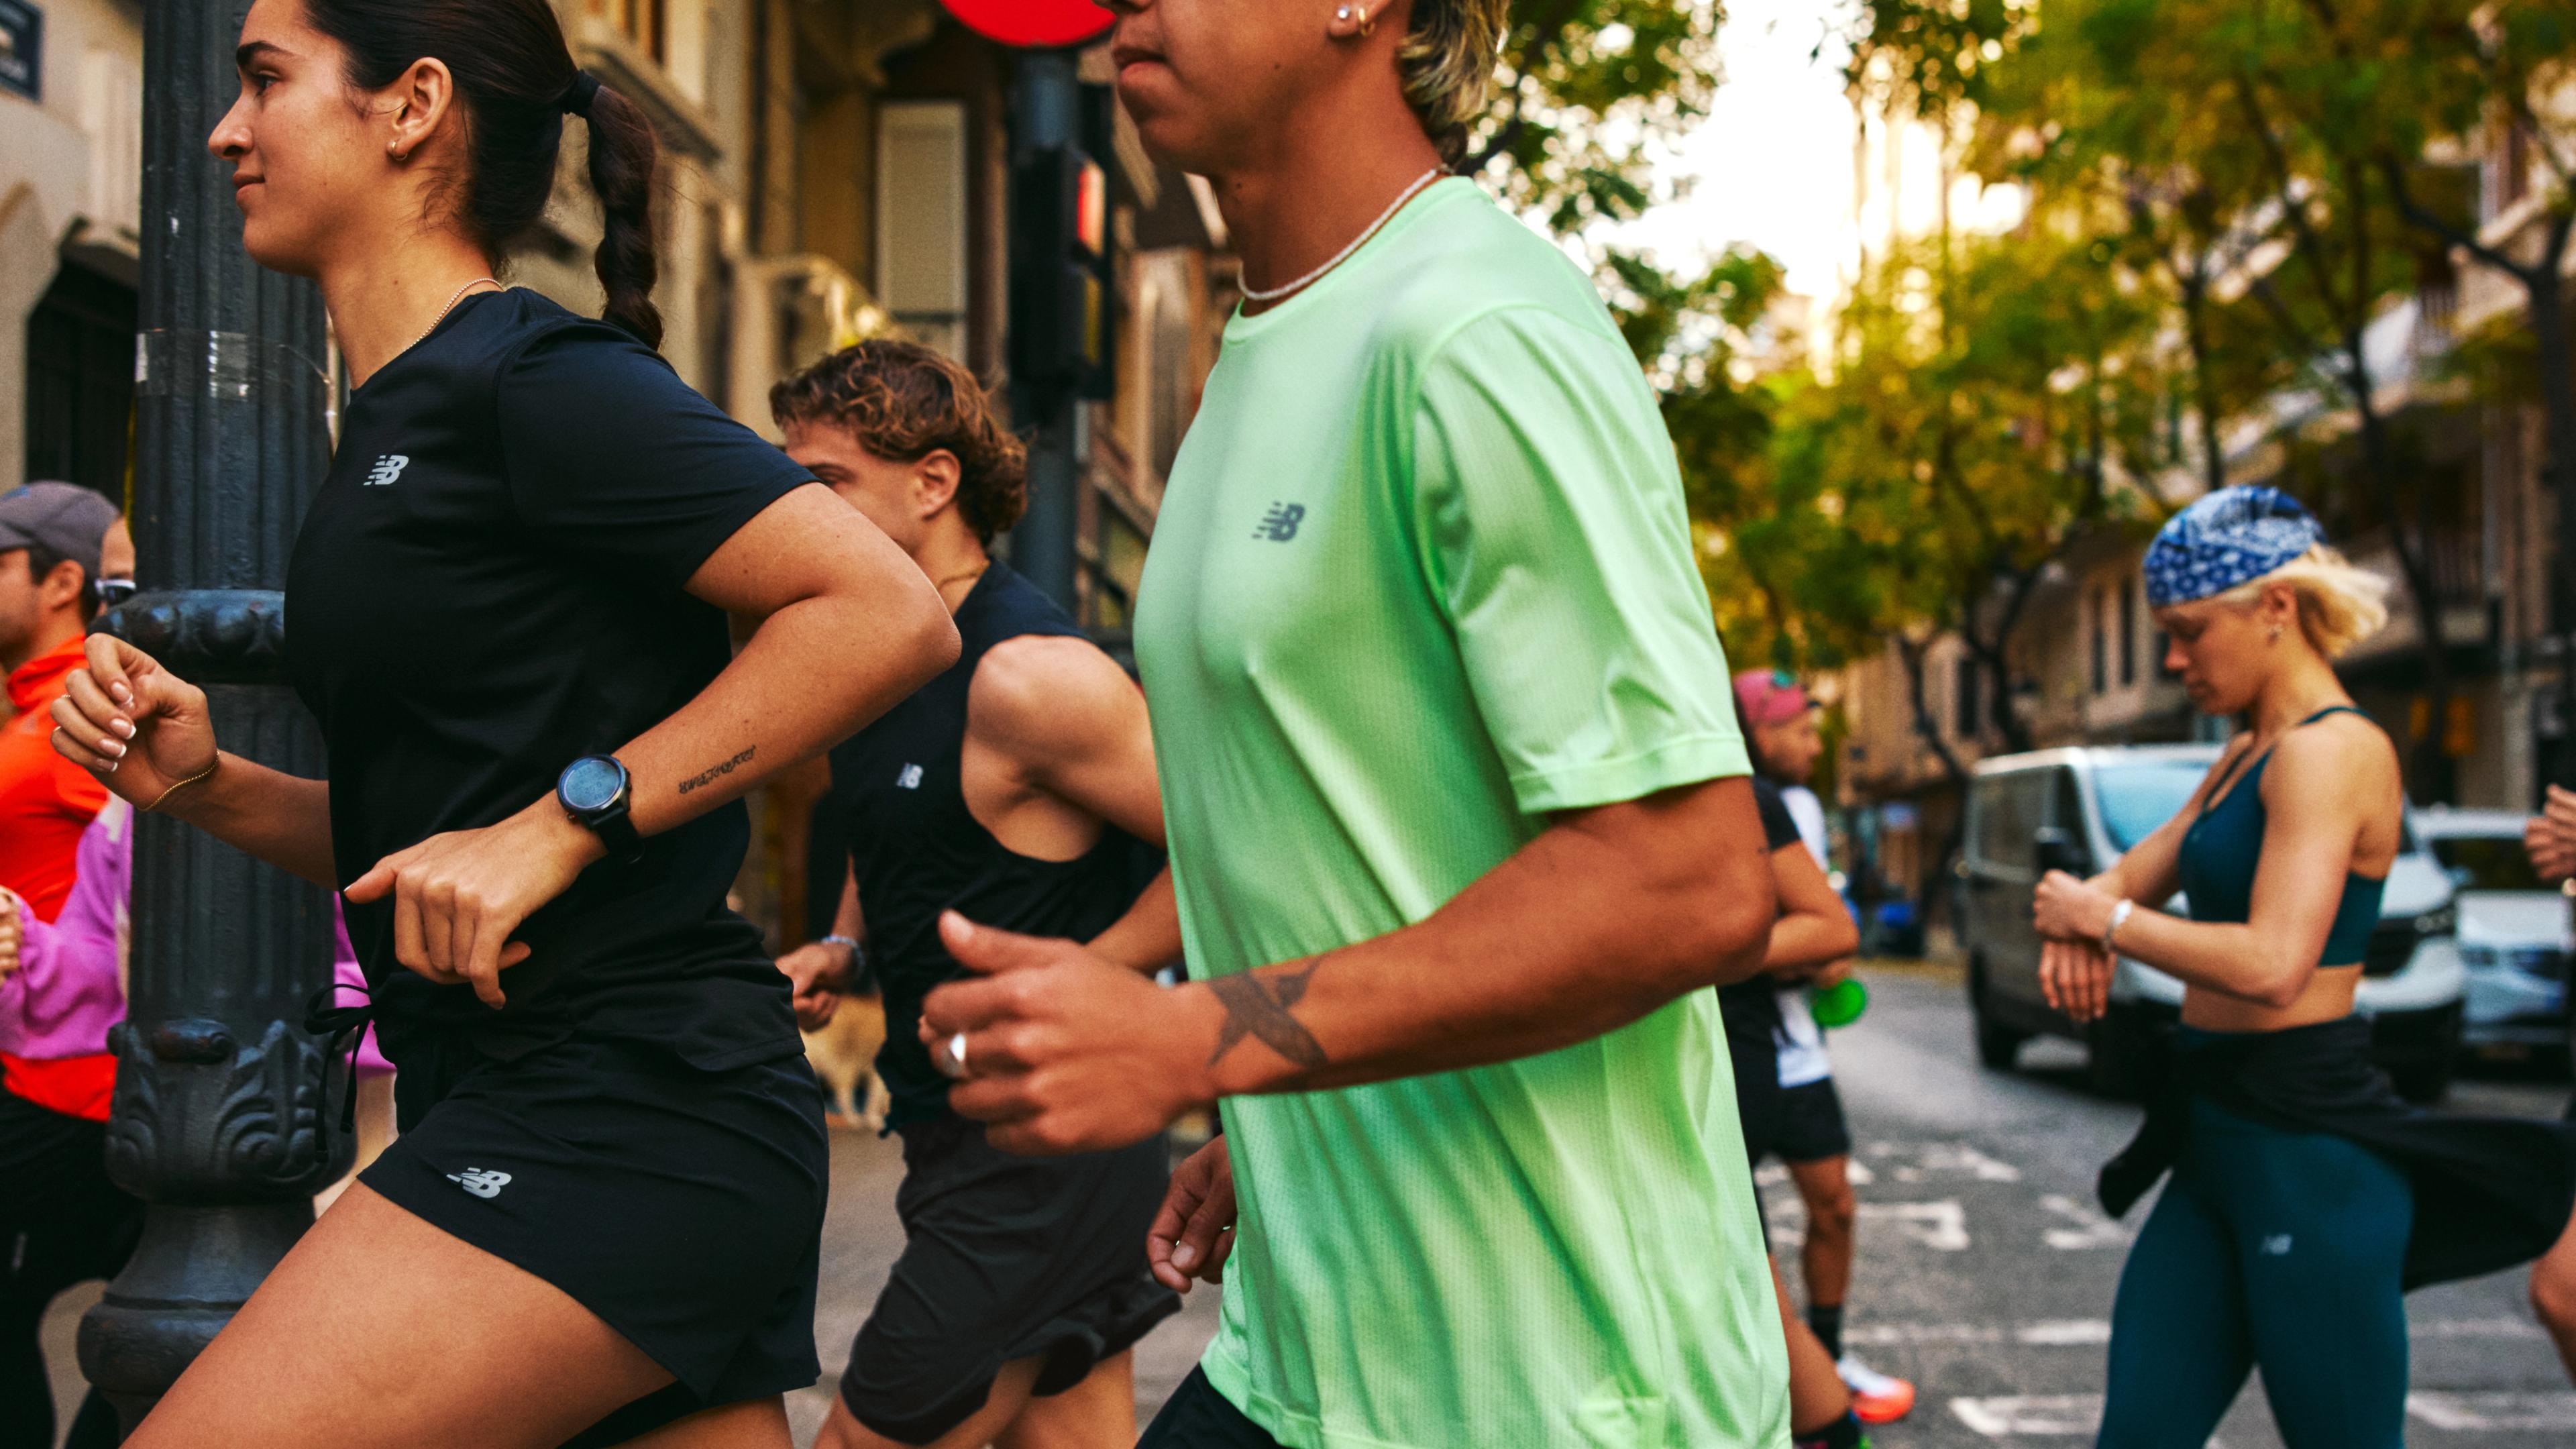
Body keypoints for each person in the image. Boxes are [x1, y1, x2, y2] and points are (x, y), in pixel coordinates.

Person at [44, 1, 959, 1444]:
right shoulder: (405, 419)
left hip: (618, 1110)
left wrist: (567, 820)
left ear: (410, 108)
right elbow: (431, 850)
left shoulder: (528, 379)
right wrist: (212, 785)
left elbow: (886, 612)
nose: (226, 129)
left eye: (265, 80)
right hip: (580, 1103)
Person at [912, 3, 1792, 1445]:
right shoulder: (1266, 343)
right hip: (1310, 1365)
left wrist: (1200, 1039)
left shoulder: (1476, 329)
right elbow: (1365, 835)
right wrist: (1287, 1133)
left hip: (1557, 1390)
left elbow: (1686, 882)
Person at [2030, 486, 2576, 1449]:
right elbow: (2125, 877)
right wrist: (2078, 920)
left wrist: (2099, 920)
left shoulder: (2337, 752)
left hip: (2310, 1157)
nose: (2173, 659)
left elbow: (2276, 965)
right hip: (2213, 1142)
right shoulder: (2245, 753)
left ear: (2275, 606)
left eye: (2191, 631)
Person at [766, 340, 1183, 1449]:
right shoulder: (879, 655)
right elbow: (892, 833)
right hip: (966, 1142)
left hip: (1042, 1160)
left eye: (825, 483)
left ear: (933, 483)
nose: (793, 507)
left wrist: (1092, 978)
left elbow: (1235, 843)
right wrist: (846, 950)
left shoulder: (1031, 677)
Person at [1733, 669, 1914, 1425]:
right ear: (1756, 733)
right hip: (1735, 1045)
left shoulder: (1790, 806)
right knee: (1739, 1244)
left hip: (1798, 1048)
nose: (1814, 743)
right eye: (1799, 729)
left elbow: (1832, 937)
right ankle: (1799, 1398)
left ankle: (1828, 1362)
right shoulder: (1729, 798)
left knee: (1832, 1205)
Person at [0, 484, 127, 1449]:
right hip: (40, 1062)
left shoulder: (71, 729)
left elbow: (155, 868)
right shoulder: (27, 715)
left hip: (80, 1088)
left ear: (63, 581)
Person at [1730, 772, 1870, 1449]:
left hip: (1739, 1065)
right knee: (1755, 1296)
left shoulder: (1738, 793)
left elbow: (1830, 930)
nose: (1814, 743)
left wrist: (1690, 955)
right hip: (1726, 1066)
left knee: (1761, 1289)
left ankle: (1834, 1405)